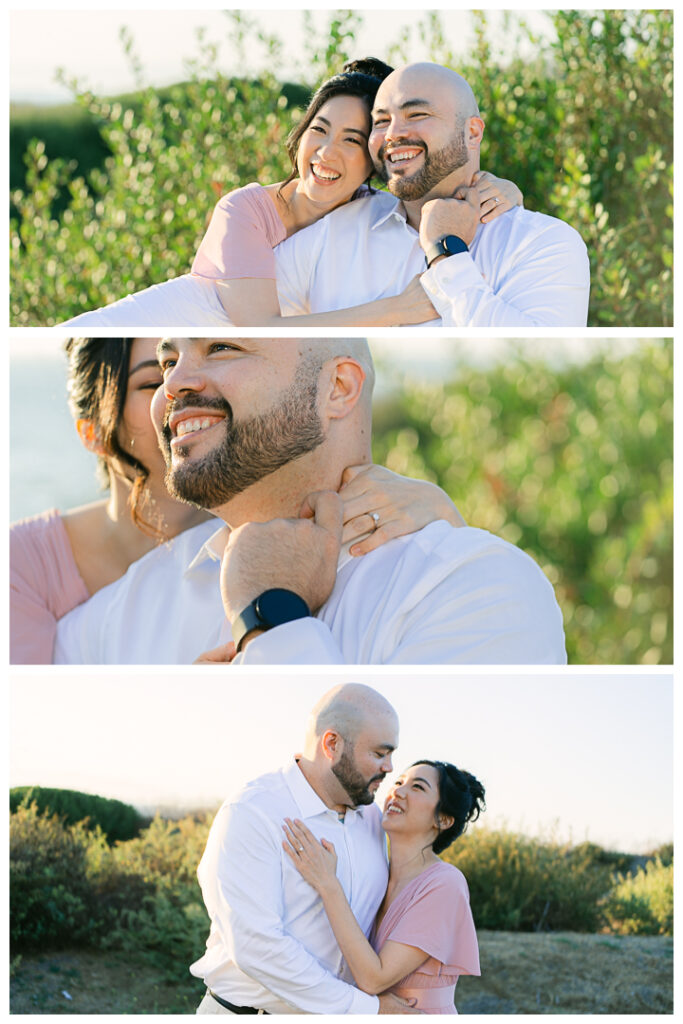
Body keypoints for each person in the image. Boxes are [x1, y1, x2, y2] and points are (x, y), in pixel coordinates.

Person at [53, 338, 567, 665]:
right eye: (168, 361)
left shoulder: (480, 590)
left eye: (222, 348)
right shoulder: (102, 626)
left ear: (338, 388)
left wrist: (271, 616)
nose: (173, 385)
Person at [60, 59, 521, 329]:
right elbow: (261, 331)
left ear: (374, 162)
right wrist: (396, 309)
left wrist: (504, 192)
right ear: (300, 136)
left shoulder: (372, 209)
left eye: (352, 141)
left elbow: (444, 184)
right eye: (319, 130)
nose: (327, 152)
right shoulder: (243, 212)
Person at [274, 62, 590, 326]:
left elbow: (532, 358)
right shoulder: (328, 235)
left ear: (472, 133)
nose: (393, 135)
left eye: (417, 115)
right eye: (381, 121)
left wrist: (448, 254)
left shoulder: (544, 244)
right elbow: (239, 328)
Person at [191, 683, 418, 1014]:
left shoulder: (373, 820)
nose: (389, 767)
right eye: (379, 754)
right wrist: (366, 1010)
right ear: (332, 744)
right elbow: (257, 946)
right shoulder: (254, 812)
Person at [9, 338, 211, 663]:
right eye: (152, 382)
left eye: (182, 368)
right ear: (93, 433)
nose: (181, 389)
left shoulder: (260, 528)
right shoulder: (21, 565)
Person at [283, 758, 485, 1014]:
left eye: (418, 787)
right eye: (399, 782)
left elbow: (373, 978)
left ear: (443, 819)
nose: (397, 791)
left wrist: (327, 884)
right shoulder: (378, 874)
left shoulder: (445, 884)